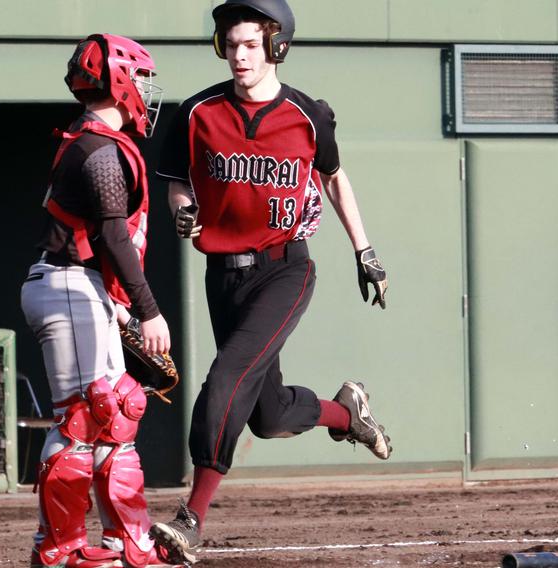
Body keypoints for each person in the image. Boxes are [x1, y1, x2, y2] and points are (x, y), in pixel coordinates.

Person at [151, 0, 393, 563]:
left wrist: (366, 250)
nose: (239, 55)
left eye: (251, 45)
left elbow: (333, 180)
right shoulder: (196, 113)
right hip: (223, 277)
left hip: (285, 269)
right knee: (269, 414)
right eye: (231, 44)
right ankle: (346, 413)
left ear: (277, 46)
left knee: (224, 380)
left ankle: (191, 519)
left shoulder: (308, 114)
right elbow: (177, 186)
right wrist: (182, 209)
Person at [20, 34, 176, 568]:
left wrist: (123, 306)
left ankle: (120, 540)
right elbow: (112, 236)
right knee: (89, 418)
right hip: (69, 286)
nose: (145, 91)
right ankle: (63, 547)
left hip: (76, 288)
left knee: (110, 415)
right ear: (118, 81)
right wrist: (148, 309)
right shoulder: (99, 148)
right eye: (140, 78)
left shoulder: (92, 141)